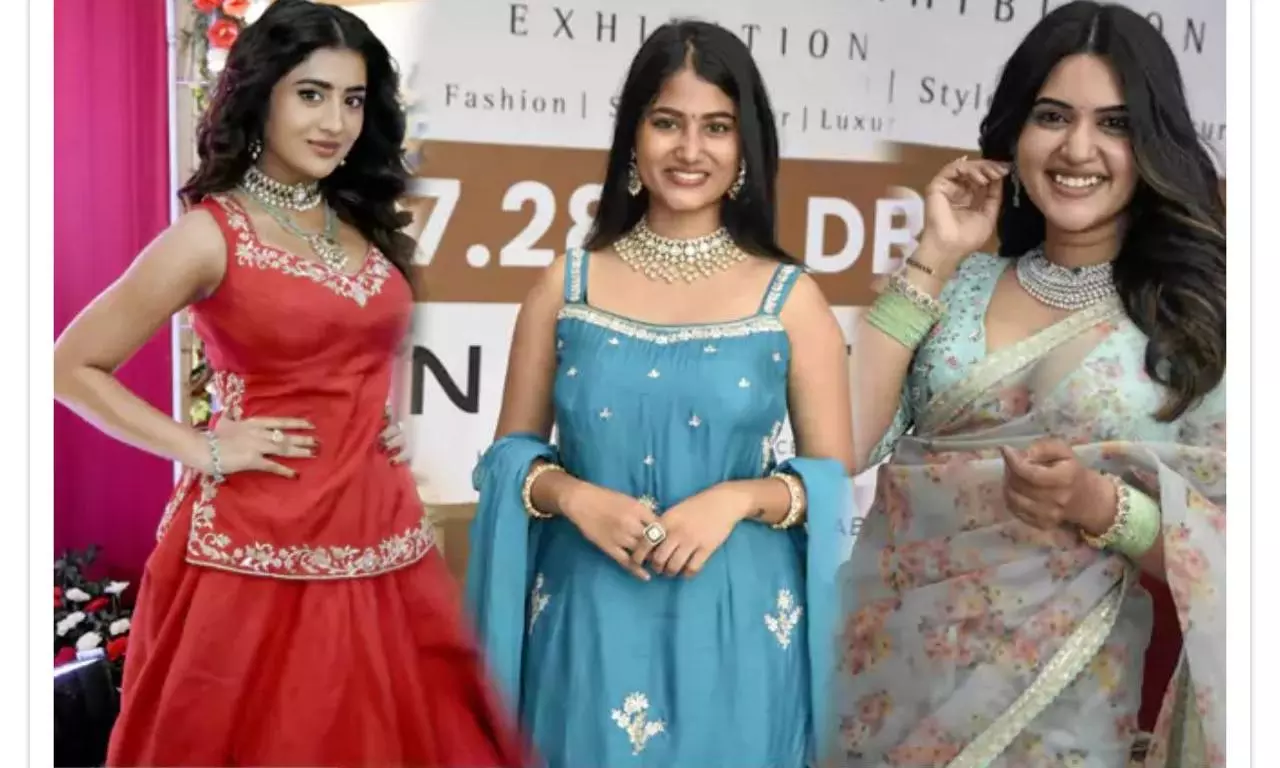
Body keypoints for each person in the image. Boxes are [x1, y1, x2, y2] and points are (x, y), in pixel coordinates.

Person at [52, 2, 526, 765]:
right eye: (311, 94)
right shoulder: (211, 234)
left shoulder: (361, 221)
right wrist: (202, 446)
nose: (335, 122)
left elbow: (353, 348)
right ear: (260, 94)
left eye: (352, 99)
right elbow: (70, 365)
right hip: (257, 543)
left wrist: (378, 414)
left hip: (382, 533)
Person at [830, 3, 1226, 766]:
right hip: (882, 681)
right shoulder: (955, 287)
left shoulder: (1196, 323)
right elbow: (841, 442)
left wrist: (1100, 507)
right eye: (1052, 116)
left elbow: (1239, 547)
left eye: (1114, 124)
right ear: (1015, 133)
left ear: (1152, 144)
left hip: (1066, 703)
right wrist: (935, 255)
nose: (1078, 148)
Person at [465, 19, 855, 768]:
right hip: (588, 614)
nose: (690, 149)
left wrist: (737, 498)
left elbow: (833, 476)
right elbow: (508, 459)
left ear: (744, 149)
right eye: (667, 122)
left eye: (717, 127)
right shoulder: (566, 286)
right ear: (633, 139)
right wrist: (576, 496)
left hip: (737, 619)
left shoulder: (789, 299)